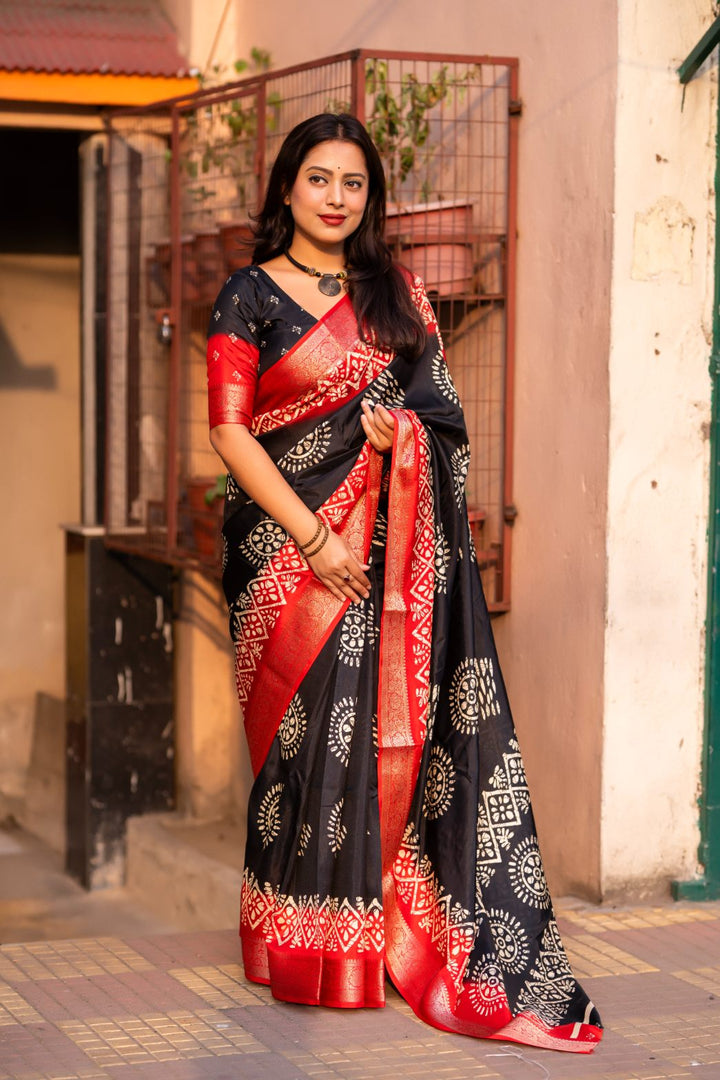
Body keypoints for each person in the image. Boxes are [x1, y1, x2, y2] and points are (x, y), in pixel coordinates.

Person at [206, 112, 602, 1053]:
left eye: (354, 183)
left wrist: (406, 436)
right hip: (286, 555)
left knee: (370, 736)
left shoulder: (398, 294)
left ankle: (368, 945)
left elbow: (443, 412)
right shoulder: (247, 297)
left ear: (368, 198)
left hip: (387, 553)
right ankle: (296, 941)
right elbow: (230, 433)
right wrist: (311, 539)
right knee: (303, 745)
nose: (337, 198)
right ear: (287, 190)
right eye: (319, 180)